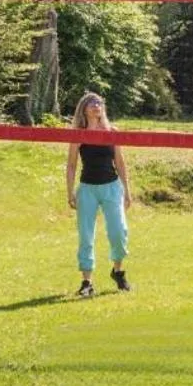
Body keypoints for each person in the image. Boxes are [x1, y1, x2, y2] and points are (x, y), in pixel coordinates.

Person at [65, 92, 132, 298]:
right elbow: (71, 164)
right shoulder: (78, 134)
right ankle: (87, 282)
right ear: (84, 109)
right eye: (92, 103)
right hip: (87, 189)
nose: (96, 105)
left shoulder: (112, 132)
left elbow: (120, 163)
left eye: (99, 102)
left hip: (112, 187)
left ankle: (118, 272)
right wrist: (70, 192)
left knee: (118, 232)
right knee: (86, 236)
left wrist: (127, 192)